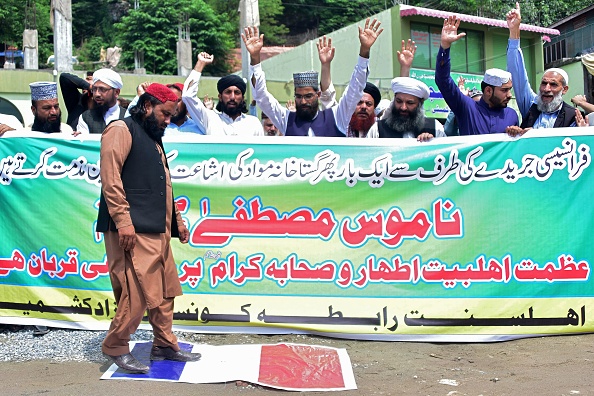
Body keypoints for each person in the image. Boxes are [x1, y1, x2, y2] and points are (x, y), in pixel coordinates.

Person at [96, 83, 201, 374]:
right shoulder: (121, 130)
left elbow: (163, 183)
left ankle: (164, 344)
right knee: (137, 291)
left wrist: (176, 221)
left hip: (156, 228)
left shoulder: (152, 136)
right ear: (147, 107)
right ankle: (115, 345)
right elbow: (111, 178)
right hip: (130, 228)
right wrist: (124, 222)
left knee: (166, 289)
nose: (168, 121)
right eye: (165, 114)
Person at [243, 18, 383, 137]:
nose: (303, 101)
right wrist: (255, 58)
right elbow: (261, 96)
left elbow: (355, 88)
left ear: (318, 94)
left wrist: (364, 51)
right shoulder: (286, 120)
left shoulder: (337, 116)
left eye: (308, 96)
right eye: (299, 97)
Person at [435, 16, 518, 135]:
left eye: (509, 90)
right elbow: (443, 81)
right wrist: (445, 46)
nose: (509, 95)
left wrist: (517, 133)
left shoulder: (512, 116)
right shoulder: (467, 108)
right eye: (504, 90)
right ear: (488, 90)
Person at [506, 2, 579, 136]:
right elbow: (516, 73)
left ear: (565, 89)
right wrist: (514, 31)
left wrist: (535, 135)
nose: (546, 89)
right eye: (544, 83)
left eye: (553, 84)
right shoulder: (531, 104)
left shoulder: (572, 116)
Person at [182, 55, 263, 136]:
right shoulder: (210, 119)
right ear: (220, 97)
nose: (232, 97)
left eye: (237, 93)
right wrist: (201, 63)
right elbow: (187, 95)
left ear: (242, 98)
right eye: (228, 92)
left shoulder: (253, 123)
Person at [367, 77, 445, 140]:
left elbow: (446, 155)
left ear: (420, 103)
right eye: (399, 101)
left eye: (410, 103)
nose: (403, 108)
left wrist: (431, 143)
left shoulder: (435, 127)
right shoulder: (378, 129)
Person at [77, 68, 126, 134]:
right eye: (94, 89)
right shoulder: (86, 117)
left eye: (102, 89)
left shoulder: (128, 116)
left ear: (116, 92)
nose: (97, 94)